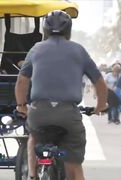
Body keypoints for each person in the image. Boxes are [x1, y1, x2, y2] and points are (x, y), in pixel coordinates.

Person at [15, 10, 107, 180]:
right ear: (69, 31)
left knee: (33, 137)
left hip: (39, 112)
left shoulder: (36, 49)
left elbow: (22, 81)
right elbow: (99, 82)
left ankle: (32, 175)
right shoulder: (79, 50)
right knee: (74, 164)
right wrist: (100, 106)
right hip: (68, 114)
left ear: (45, 30)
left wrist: (22, 105)